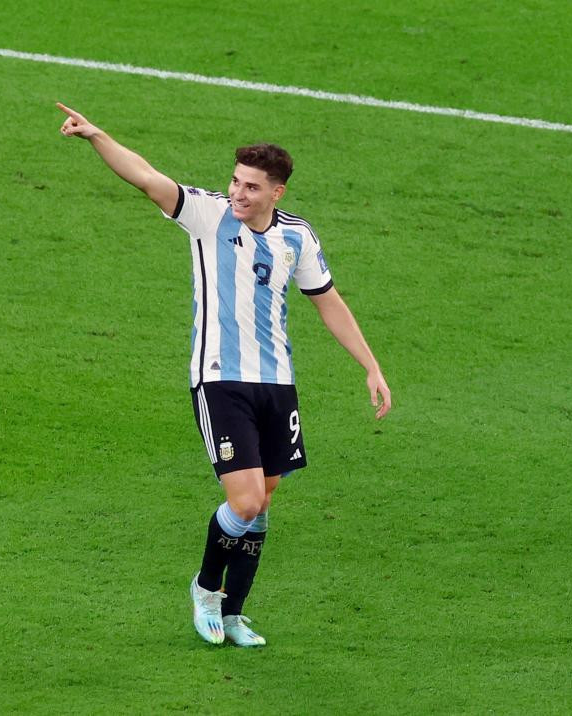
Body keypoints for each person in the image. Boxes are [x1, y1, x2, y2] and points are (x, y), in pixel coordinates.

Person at [56, 102, 392, 647]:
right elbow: (146, 177)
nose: (238, 193)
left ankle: (234, 613)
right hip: (219, 380)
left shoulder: (297, 237)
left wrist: (371, 365)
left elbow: (327, 301)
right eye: (235, 182)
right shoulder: (208, 215)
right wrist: (96, 135)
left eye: (251, 187)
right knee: (245, 502)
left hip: (277, 384)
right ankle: (207, 589)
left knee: (265, 499)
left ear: (276, 193)